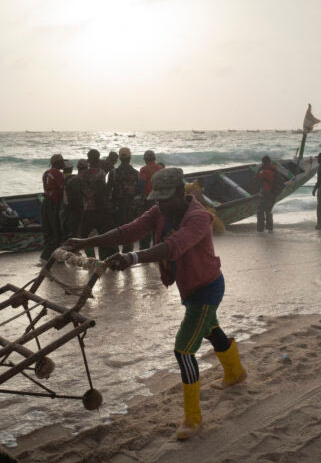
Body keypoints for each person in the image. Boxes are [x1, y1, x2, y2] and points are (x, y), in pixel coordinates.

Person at [62, 168, 246, 440]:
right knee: (209, 329)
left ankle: (192, 419)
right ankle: (235, 372)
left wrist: (132, 259)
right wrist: (87, 241)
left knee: (184, 350)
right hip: (191, 287)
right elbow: (129, 231)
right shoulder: (161, 211)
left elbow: (172, 247)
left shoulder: (198, 219)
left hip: (206, 288)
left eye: (164, 199)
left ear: (178, 193)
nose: (159, 204)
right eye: (156, 199)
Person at [79, 149, 117, 259]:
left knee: (84, 236)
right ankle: (105, 259)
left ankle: (91, 260)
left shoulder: (82, 174)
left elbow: (81, 191)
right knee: (105, 236)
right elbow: (104, 189)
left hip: (88, 209)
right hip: (102, 208)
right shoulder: (101, 172)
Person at [108, 147, 141, 251]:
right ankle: (127, 256)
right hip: (131, 206)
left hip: (116, 206)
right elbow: (139, 191)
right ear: (130, 157)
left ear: (119, 158)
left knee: (116, 231)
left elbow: (108, 189)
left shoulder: (113, 173)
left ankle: (116, 254)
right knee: (129, 231)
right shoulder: (136, 173)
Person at [40, 154, 67, 263]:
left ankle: (49, 257)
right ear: (58, 163)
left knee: (49, 231)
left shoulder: (46, 173)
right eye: (62, 162)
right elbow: (64, 188)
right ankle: (46, 258)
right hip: (54, 204)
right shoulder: (58, 174)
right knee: (57, 231)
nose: (63, 164)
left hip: (46, 203)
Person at [138, 150, 164, 249]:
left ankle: (144, 249)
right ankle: (157, 247)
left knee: (146, 225)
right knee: (158, 225)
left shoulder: (144, 169)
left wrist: (138, 195)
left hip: (148, 200)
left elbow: (141, 185)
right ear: (154, 158)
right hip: (160, 200)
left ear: (145, 159)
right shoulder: (160, 169)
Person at [65, 159, 88, 242]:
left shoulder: (71, 180)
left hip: (72, 211)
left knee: (74, 235)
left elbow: (66, 199)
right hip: (80, 211)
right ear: (86, 168)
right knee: (80, 236)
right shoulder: (85, 181)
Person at [255, 155, 279, 232]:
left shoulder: (264, 171)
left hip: (265, 192)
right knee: (268, 210)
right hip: (273, 193)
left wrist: (260, 169)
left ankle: (260, 229)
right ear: (270, 162)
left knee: (260, 211)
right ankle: (270, 229)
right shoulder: (274, 169)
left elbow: (257, 178)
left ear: (264, 162)